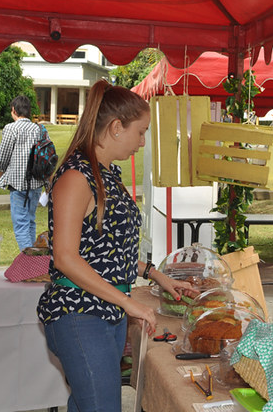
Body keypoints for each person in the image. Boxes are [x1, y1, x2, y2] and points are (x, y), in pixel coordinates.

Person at [36, 80, 197, 412]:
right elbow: (66, 257)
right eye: (140, 132)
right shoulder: (76, 178)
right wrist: (130, 303)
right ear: (115, 128)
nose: (142, 142)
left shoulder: (106, 174)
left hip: (106, 312)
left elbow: (108, 250)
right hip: (79, 313)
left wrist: (155, 274)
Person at [0, 95, 45, 250]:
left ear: (13, 111)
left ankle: (28, 261)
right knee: (30, 220)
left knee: (20, 223)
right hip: (36, 182)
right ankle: (34, 259)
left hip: (17, 183)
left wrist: (0, 172)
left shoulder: (11, 128)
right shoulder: (39, 129)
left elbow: (4, 155)